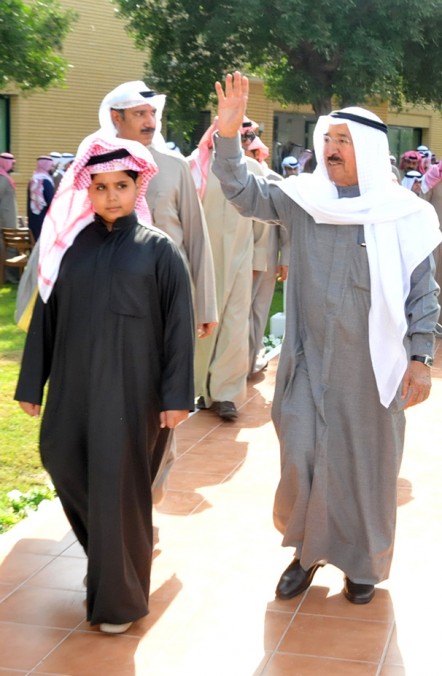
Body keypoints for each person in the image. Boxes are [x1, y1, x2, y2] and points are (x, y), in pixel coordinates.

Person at [212, 72, 441, 604]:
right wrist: (227, 135)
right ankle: (306, 553)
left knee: (366, 468)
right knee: (302, 457)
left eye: (343, 141)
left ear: (369, 150)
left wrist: (420, 358)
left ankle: (362, 564)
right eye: (328, 139)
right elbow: (243, 191)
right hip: (308, 361)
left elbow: (423, 293)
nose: (332, 149)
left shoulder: (404, 214)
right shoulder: (305, 200)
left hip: (372, 370)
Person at [14, 135, 195, 633]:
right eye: (100, 187)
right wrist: (32, 383)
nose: (111, 196)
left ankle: (119, 601)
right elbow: (46, 317)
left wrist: (176, 397)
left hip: (133, 390)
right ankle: (117, 556)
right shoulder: (70, 249)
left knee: (116, 486)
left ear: (138, 187)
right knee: (59, 455)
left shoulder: (160, 251)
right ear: (87, 191)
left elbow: (180, 328)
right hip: (73, 383)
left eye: (121, 186)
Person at [188, 118, 268, 420]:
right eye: (240, 135)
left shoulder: (254, 170)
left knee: (235, 325)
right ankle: (198, 387)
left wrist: (257, 262)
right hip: (202, 260)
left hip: (240, 258)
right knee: (202, 324)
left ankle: (226, 395)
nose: (245, 141)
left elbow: (262, 222)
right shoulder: (195, 167)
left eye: (248, 136)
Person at [243, 135, 290, 375]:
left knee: (259, 311)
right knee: (238, 314)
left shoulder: (274, 181)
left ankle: (251, 361)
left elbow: (286, 225)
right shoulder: (233, 182)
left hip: (268, 257)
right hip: (239, 257)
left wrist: (285, 259)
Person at [0, 152, 19, 282]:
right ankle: (8, 276)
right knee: (8, 247)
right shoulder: (2, 178)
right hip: (4, 220)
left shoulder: (5, 177)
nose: (12, 166)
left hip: (8, 218)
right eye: (11, 163)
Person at [26, 155, 55, 241]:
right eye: (51, 166)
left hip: (33, 219)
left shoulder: (33, 180)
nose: (52, 168)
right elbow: (51, 202)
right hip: (44, 221)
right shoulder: (45, 181)